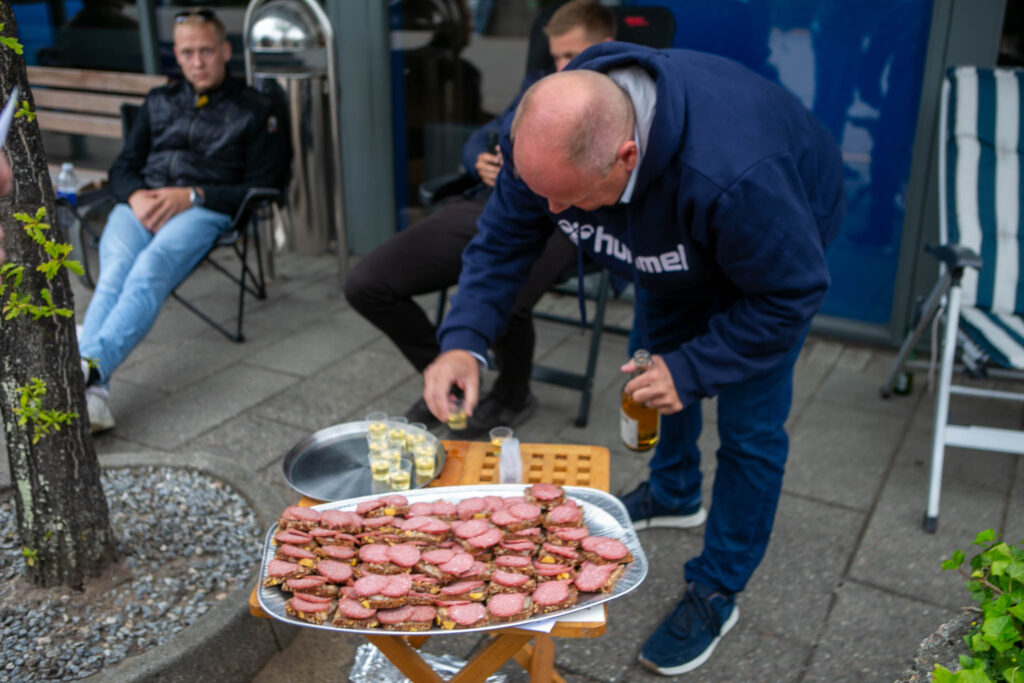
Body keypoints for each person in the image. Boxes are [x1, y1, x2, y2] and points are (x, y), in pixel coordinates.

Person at [422, 44, 844, 675]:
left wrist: (697, 368)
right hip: (668, 249)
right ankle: (675, 492)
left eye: (569, 200)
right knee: (652, 371)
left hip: (771, 258)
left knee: (750, 433)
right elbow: (506, 236)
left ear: (626, 157)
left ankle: (717, 588)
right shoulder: (544, 135)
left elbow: (792, 293)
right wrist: (463, 339)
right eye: (546, 197)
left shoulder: (737, 171)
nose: (555, 216)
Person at [343, 0, 615, 437]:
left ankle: (512, 394)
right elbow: (483, 136)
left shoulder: (617, 101)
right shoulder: (540, 85)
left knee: (506, 299)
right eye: (556, 56)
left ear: (606, 46)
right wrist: (480, 161)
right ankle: (452, 371)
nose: (561, 66)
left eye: (571, 55)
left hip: (566, 219)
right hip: (494, 204)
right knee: (367, 284)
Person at [77, 8, 287, 433]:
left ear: (225, 50)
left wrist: (192, 195)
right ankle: (91, 390)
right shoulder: (159, 101)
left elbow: (267, 185)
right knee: (115, 270)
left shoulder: (256, 107)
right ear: (176, 54)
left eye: (206, 51)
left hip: (203, 209)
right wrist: (135, 196)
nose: (197, 62)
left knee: (148, 271)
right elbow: (123, 167)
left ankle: (81, 370)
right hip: (141, 204)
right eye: (188, 52)